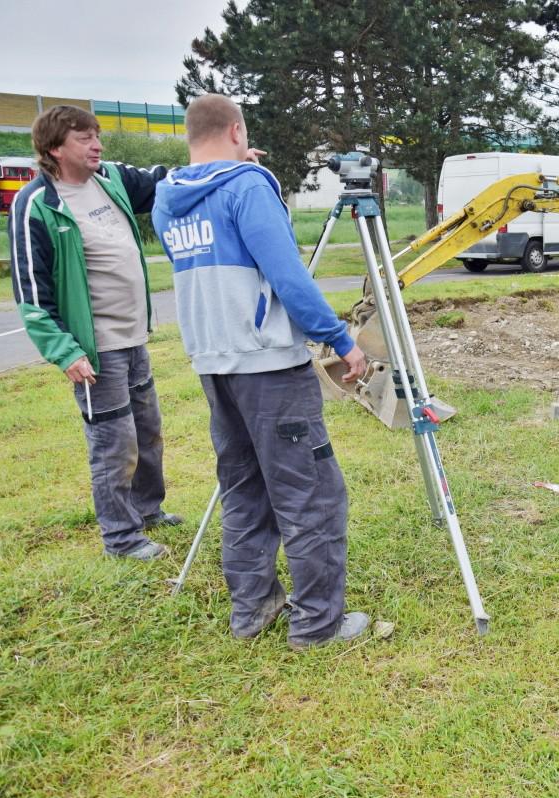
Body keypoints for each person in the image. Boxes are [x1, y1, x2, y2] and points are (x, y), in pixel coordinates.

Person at [152, 94, 370, 649]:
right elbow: (289, 277)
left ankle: (253, 610)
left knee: (244, 489)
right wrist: (342, 339)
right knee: (312, 495)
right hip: (268, 366)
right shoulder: (249, 187)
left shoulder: (168, 198)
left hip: (214, 364)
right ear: (236, 130)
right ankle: (319, 625)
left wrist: (243, 169)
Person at [9, 105, 180, 561]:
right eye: (84, 138)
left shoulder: (112, 179)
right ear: (53, 149)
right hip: (94, 350)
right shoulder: (37, 205)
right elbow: (31, 292)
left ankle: (147, 511)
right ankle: (120, 539)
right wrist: (65, 352)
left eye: (97, 135)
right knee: (113, 443)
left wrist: (225, 162)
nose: (97, 145)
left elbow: (169, 180)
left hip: (133, 339)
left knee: (147, 432)